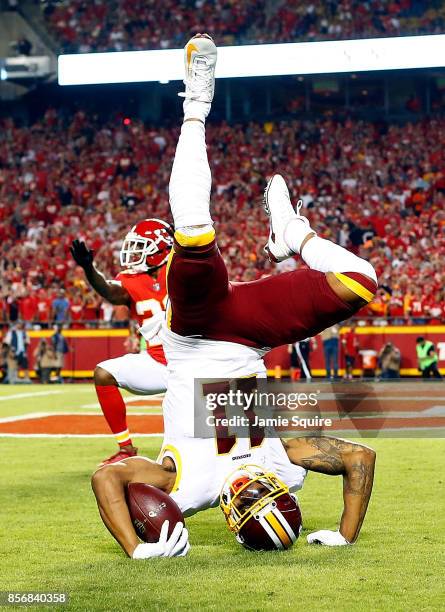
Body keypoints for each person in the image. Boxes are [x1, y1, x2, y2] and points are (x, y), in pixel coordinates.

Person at [92, 34, 377, 559]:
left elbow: (105, 478)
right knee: (362, 281)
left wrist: (137, 548)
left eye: (245, 503)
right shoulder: (285, 465)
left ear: (230, 516)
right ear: (278, 495)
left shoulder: (190, 488)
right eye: (263, 497)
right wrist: (343, 533)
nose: (250, 492)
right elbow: (361, 457)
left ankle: (195, 107)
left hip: (197, 334)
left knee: (195, 235)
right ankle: (293, 234)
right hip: (251, 335)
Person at [70, 218, 173, 465]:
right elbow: (109, 290)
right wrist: (89, 269)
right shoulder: (131, 280)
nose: (134, 253)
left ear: (161, 249)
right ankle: (126, 448)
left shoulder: (183, 269)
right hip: (158, 362)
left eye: (141, 247)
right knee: (104, 373)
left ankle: (261, 445)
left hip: (193, 361)